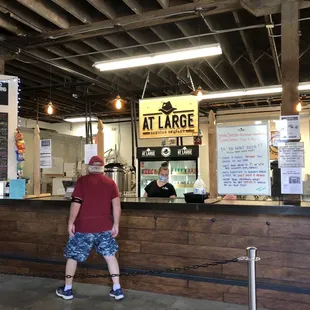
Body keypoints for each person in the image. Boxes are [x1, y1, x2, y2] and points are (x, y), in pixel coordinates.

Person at [56, 155, 124, 301]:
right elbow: (116, 206)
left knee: (73, 257)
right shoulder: (111, 183)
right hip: (105, 227)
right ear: (102, 168)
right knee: (110, 256)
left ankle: (67, 290)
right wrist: (116, 224)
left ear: (89, 167)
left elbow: (76, 203)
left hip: (83, 227)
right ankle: (117, 289)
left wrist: (70, 222)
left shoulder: (82, 181)